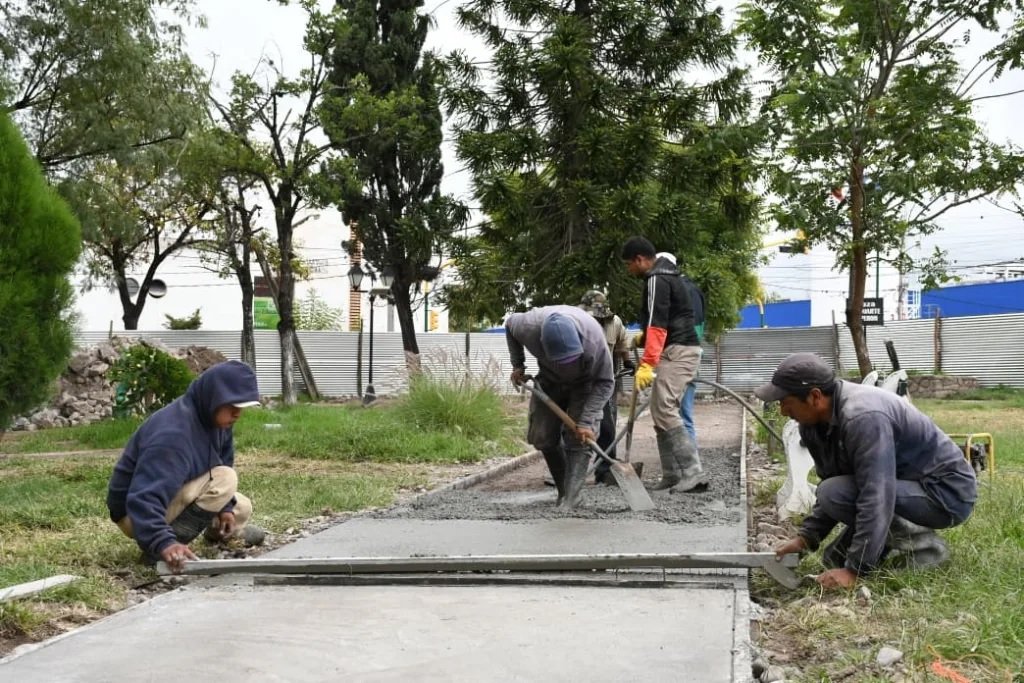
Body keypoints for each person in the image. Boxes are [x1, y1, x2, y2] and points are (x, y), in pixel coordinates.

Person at [758, 353, 978, 589]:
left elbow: (876, 494)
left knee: (834, 492)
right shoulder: (813, 425)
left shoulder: (863, 417)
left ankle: (928, 551)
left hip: (946, 493)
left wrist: (855, 570)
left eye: (785, 401)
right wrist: (806, 538)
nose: (782, 411)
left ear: (815, 396)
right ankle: (872, 550)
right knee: (833, 531)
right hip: (905, 485)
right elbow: (839, 483)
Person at [107, 359, 267, 574]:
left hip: (169, 496)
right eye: (232, 406)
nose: (237, 413)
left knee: (241, 506)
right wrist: (162, 542)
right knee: (225, 479)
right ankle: (163, 550)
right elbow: (143, 498)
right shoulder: (174, 434)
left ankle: (217, 533)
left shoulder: (216, 421)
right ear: (214, 398)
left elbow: (222, 461)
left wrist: (225, 509)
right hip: (134, 514)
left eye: (241, 407)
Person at [506, 305, 615, 508]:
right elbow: (509, 325)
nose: (567, 367)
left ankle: (573, 498)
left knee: (579, 439)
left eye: (571, 360)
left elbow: (606, 382)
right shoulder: (527, 327)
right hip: (549, 380)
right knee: (541, 436)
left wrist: (586, 422)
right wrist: (518, 364)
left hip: (584, 384)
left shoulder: (594, 341)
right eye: (562, 361)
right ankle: (564, 492)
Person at [621, 236, 706, 493]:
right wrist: (644, 338)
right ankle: (671, 474)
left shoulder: (657, 279)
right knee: (660, 410)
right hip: (677, 347)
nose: (629, 270)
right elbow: (667, 318)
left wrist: (647, 363)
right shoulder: (667, 275)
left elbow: (658, 324)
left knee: (665, 408)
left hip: (679, 351)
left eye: (628, 264)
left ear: (639, 259)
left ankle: (693, 473)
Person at [578, 290, 634, 486]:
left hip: (604, 381)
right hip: (578, 380)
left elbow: (622, 341)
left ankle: (605, 470)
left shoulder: (614, 322)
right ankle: (567, 471)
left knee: (607, 426)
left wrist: (627, 361)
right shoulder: (577, 321)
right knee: (573, 425)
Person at [655, 252, 706, 455]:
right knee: (683, 413)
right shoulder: (694, 289)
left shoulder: (675, 289)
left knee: (673, 414)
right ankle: (687, 462)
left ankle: (686, 464)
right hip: (692, 355)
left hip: (678, 357)